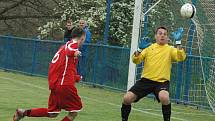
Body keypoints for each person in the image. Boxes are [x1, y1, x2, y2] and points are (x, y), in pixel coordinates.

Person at [13, 27, 86, 121]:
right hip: (64, 85)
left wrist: (76, 77)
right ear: (82, 38)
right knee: (73, 112)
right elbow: (70, 51)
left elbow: (62, 68)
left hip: (57, 84)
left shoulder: (63, 47)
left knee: (52, 113)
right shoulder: (72, 45)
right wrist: (75, 52)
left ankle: (22, 112)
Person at [121, 26, 186, 121]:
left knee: (164, 97)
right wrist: (139, 49)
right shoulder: (148, 48)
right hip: (145, 81)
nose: (162, 35)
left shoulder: (170, 49)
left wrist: (178, 42)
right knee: (127, 98)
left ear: (167, 37)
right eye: (160, 33)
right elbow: (136, 60)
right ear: (156, 36)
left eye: (165, 34)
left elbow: (181, 57)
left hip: (161, 82)